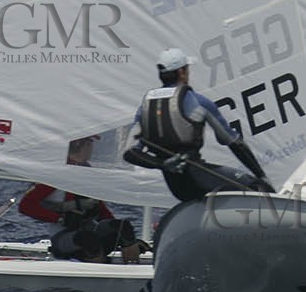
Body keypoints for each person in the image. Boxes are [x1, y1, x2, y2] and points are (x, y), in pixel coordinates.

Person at [124, 48, 275, 203]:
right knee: (259, 187)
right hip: (200, 180)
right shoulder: (198, 102)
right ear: (182, 71)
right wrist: (261, 176)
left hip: (178, 189)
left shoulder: (145, 108)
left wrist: (163, 164)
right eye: (187, 69)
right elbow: (234, 142)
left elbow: (130, 153)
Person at [18, 136, 146, 263]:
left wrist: (126, 237)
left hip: (90, 231)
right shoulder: (56, 174)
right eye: (90, 143)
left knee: (123, 226)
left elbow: (100, 209)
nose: (92, 147)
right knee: (88, 240)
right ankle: (100, 270)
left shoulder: (86, 171)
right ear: (80, 145)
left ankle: (131, 263)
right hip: (63, 237)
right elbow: (26, 206)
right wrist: (60, 218)